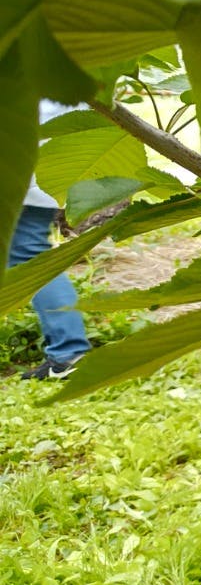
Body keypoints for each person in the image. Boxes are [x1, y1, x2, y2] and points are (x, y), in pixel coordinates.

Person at [7, 100, 91, 380]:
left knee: (28, 254)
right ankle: (69, 349)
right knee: (29, 251)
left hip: (26, 158)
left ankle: (69, 350)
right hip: (56, 160)